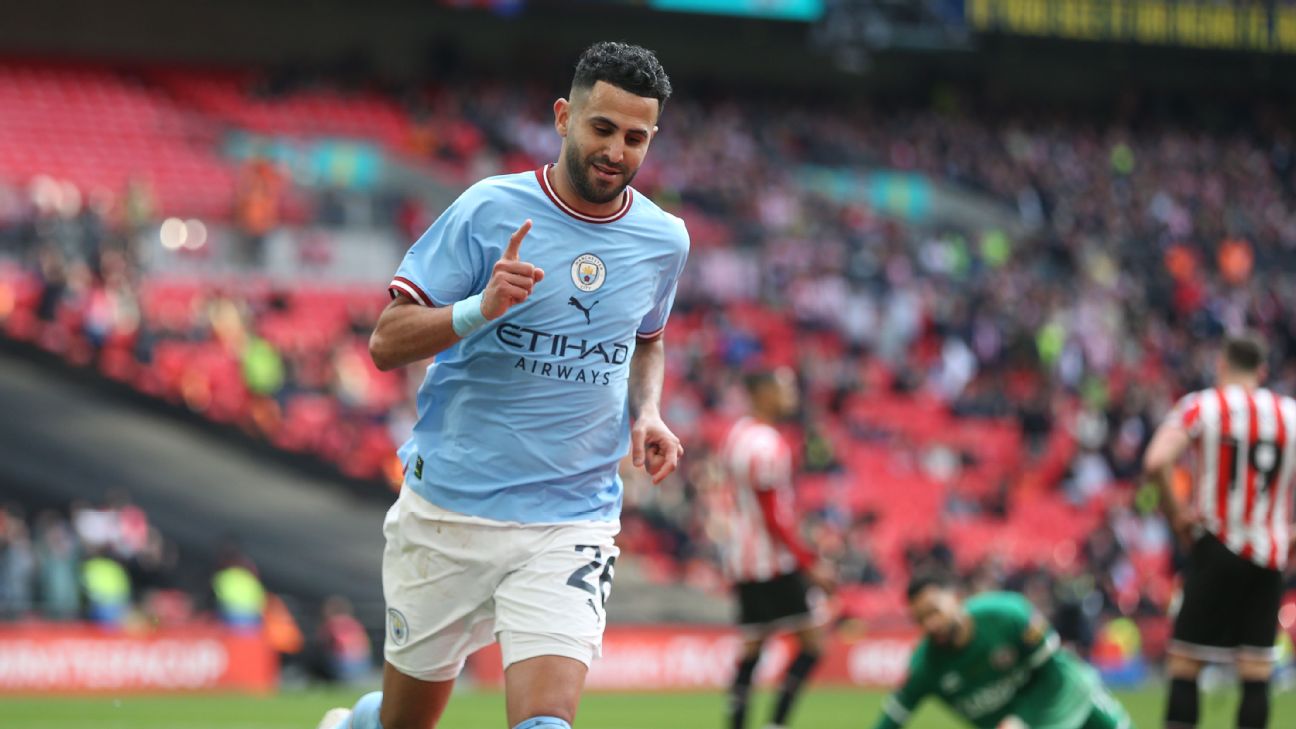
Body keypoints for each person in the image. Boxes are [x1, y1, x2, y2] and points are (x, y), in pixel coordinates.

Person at [318, 41, 687, 729]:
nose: (616, 149)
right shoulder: (489, 207)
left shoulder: (664, 240)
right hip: (450, 510)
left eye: (635, 137)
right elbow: (383, 342)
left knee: (545, 722)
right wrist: (477, 310)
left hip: (571, 515)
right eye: (601, 127)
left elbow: (649, 338)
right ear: (563, 117)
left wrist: (648, 413)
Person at [1142, 332, 1294, 729]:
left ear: (1221, 365)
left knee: (1186, 662)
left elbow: (1157, 460)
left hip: (1217, 544)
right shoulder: (1290, 413)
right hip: (1270, 552)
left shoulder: (1202, 406)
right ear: (1262, 371)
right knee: (1256, 669)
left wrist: (1176, 516)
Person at [719, 367, 836, 729]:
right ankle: (777, 724)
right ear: (762, 393)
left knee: (753, 648)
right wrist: (809, 561)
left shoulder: (738, 434)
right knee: (813, 644)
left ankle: (737, 723)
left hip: (743, 558)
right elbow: (773, 515)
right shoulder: (766, 444)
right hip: (773, 561)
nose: (791, 395)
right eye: (783, 388)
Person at [871, 575, 1133, 729]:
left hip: (1071, 697)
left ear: (956, 598)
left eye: (934, 612)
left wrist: (1020, 721)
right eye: (921, 619)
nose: (930, 624)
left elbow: (1053, 674)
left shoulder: (1009, 615)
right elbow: (892, 718)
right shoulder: (926, 666)